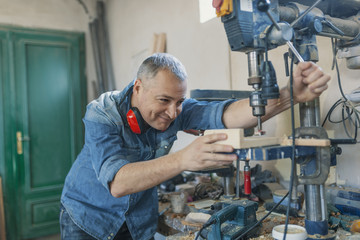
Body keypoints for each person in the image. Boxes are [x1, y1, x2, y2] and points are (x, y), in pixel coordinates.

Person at [60, 53, 330, 240]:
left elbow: (229, 115)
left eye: (179, 102)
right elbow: (117, 184)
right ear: (138, 88)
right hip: (88, 218)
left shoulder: (176, 108)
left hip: (137, 221)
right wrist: (183, 160)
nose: (173, 112)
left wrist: (289, 95)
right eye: (164, 100)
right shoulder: (102, 114)